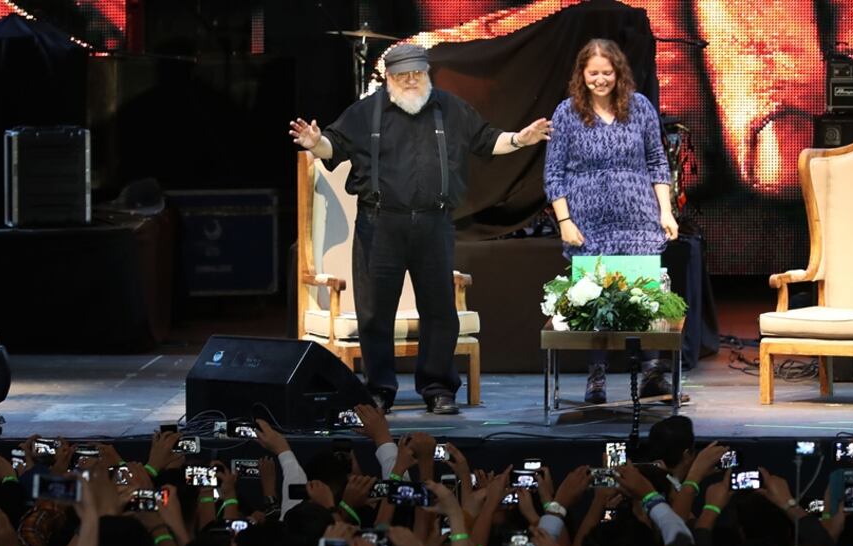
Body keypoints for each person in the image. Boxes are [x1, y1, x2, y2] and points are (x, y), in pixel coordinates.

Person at [288, 44, 551, 415]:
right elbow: (336, 146)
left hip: (433, 223)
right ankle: (379, 389)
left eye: (418, 73)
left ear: (427, 73)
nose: (411, 80)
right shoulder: (367, 112)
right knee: (375, 311)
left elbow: (488, 140)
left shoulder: (450, 108)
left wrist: (520, 139)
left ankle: (438, 388)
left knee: (440, 310)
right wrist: (318, 144)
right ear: (389, 77)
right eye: (403, 74)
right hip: (380, 225)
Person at [543, 38, 678, 404]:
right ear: (581, 75)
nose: (600, 80)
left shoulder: (640, 108)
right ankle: (596, 379)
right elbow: (554, 173)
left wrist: (665, 210)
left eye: (606, 73)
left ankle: (652, 373)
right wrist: (565, 221)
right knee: (594, 301)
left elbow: (656, 161)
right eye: (593, 74)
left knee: (645, 299)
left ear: (618, 73)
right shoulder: (567, 113)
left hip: (637, 217)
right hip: (588, 222)